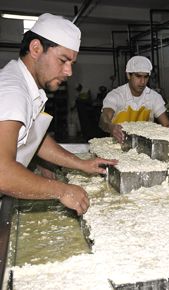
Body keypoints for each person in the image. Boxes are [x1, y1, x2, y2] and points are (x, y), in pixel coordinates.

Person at [0, 13, 117, 216]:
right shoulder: (13, 92)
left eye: (72, 63)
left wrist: (81, 164)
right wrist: (61, 191)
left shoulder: (29, 89)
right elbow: (2, 173)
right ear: (36, 48)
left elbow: (35, 139)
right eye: (63, 60)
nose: (69, 72)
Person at [99, 56, 169, 143]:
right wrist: (111, 127)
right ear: (128, 75)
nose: (142, 82)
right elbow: (104, 118)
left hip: (144, 147)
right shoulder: (116, 95)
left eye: (146, 77)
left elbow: (167, 124)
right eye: (138, 76)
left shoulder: (154, 97)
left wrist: (166, 134)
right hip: (118, 145)